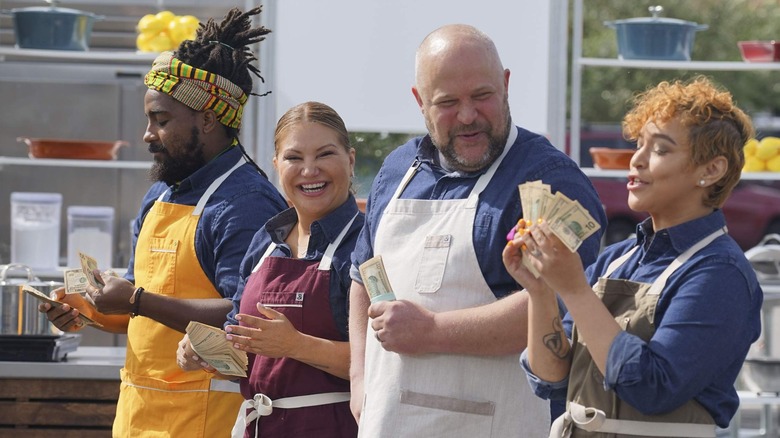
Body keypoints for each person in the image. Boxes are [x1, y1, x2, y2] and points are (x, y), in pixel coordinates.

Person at [39, 7, 289, 437]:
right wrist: (89, 309)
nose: (147, 135)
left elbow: (249, 316)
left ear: (207, 119)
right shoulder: (162, 193)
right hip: (140, 416)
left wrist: (136, 300)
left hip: (207, 420)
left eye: (161, 120)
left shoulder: (245, 203)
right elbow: (142, 309)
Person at [348, 24, 607, 437]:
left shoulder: (547, 180)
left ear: (505, 85)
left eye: (481, 96)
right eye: (448, 102)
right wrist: (359, 379)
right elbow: (363, 272)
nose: (467, 116)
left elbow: (568, 300)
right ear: (419, 101)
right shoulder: (398, 169)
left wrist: (432, 332)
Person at [503, 76, 763, 437]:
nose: (636, 160)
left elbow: (653, 388)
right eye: (638, 145)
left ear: (711, 170)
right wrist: (540, 290)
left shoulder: (720, 274)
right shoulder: (617, 258)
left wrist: (576, 290)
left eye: (660, 149)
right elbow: (552, 378)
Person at [177, 101, 363, 438]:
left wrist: (295, 345)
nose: (309, 170)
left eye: (324, 155)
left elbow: (388, 361)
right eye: (294, 158)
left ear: (350, 161)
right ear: (276, 165)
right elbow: (249, 355)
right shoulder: (265, 240)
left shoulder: (366, 245)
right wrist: (211, 352)